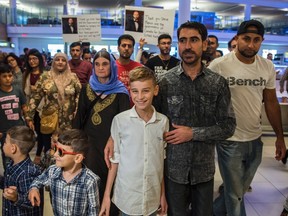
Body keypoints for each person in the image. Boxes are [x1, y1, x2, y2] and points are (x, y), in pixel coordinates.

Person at [104, 21, 236, 216]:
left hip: (204, 171)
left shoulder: (217, 83)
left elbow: (228, 126)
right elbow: (144, 117)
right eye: (183, 40)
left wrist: (193, 133)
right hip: (173, 172)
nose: (188, 46)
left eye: (194, 40)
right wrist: (114, 136)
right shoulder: (166, 82)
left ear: (205, 44)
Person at [209, 19, 286, 216]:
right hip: (229, 139)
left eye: (256, 40)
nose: (251, 45)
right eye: (246, 39)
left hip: (255, 139)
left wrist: (279, 137)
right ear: (237, 38)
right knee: (235, 195)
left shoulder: (266, 66)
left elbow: (270, 102)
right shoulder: (219, 65)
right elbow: (206, 100)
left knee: (238, 190)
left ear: (262, 40)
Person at [99, 66, 169, 216]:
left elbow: (160, 161)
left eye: (146, 90)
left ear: (155, 90)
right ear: (129, 91)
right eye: (135, 91)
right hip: (127, 197)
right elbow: (114, 160)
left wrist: (162, 194)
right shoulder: (120, 121)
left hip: (152, 197)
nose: (140, 97)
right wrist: (106, 196)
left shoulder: (163, 122)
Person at [73, 50, 130, 215]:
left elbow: (124, 123)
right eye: (97, 64)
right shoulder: (87, 88)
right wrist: (74, 145)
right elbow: (79, 118)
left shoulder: (121, 92)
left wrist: (113, 139)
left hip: (111, 146)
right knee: (89, 182)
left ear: (112, 66)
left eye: (105, 64)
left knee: (109, 183)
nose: (100, 67)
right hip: (89, 145)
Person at [28, 129, 100, 215]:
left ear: (77, 158)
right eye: (55, 148)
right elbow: (38, 180)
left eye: (61, 152)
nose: (55, 154)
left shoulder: (90, 181)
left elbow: (93, 211)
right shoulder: (52, 171)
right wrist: (34, 188)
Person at [25, 52, 82, 162]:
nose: (60, 62)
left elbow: (79, 96)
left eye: (63, 60)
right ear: (53, 62)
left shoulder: (73, 77)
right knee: (49, 150)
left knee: (67, 150)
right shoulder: (45, 76)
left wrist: (77, 112)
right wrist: (29, 116)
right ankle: (50, 174)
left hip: (69, 121)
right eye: (57, 59)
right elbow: (35, 97)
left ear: (66, 62)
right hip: (49, 120)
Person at [1, 126, 43, 215]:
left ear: (13, 148)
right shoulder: (11, 164)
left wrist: (16, 198)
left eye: (5, 142)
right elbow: (6, 183)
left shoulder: (29, 172)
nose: (3, 144)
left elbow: (33, 202)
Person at [22, 48, 48, 165]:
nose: (32, 61)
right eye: (30, 59)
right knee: (37, 131)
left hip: (45, 107)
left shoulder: (46, 74)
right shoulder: (26, 74)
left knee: (45, 133)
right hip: (31, 108)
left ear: (39, 59)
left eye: (34, 58)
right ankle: (39, 154)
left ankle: (39, 155)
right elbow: (24, 92)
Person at [0, 64, 27, 169]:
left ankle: (21, 176)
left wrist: (29, 120)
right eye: (4, 76)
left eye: (10, 75)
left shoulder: (18, 90)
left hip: (19, 128)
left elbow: (24, 106)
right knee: (7, 156)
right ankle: (9, 178)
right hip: (4, 131)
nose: (8, 78)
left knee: (21, 153)